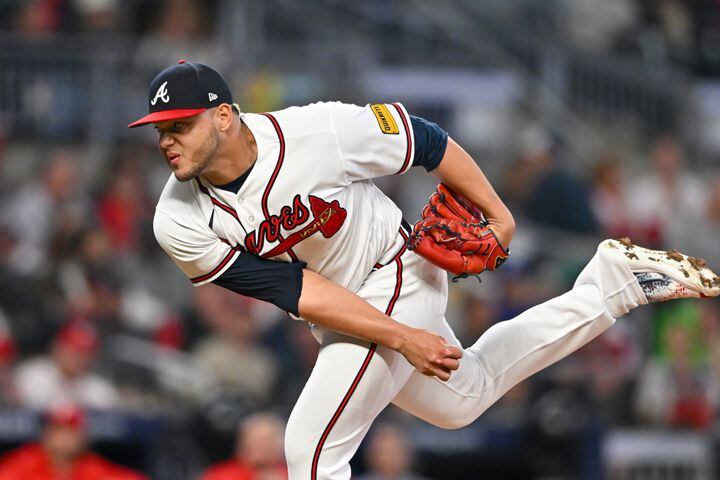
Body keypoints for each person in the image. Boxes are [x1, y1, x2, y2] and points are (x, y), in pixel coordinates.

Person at [128, 61, 720, 480]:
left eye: (180, 125)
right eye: (161, 131)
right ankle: (608, 289)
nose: (167, 142)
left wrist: (498, 214)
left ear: (225, 117)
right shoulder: (177, 221)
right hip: (345, 307)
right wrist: (402, 338)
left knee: (309, 448)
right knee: (464, 400)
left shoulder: (319, 131)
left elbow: (423, 140)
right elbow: (294, 289)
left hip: (398, 270)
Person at [0, 404, 147, 480]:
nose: (65, 438)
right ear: (46, 434)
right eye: (59, 431)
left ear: (83, 437)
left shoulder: (89, 465)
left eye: (71, 431)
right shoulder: (27, 460)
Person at [200, 412, 288, 480]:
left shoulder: (292, 473)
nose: (260, 446)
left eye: (266, 440)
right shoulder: (220, 475)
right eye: (254, 439)